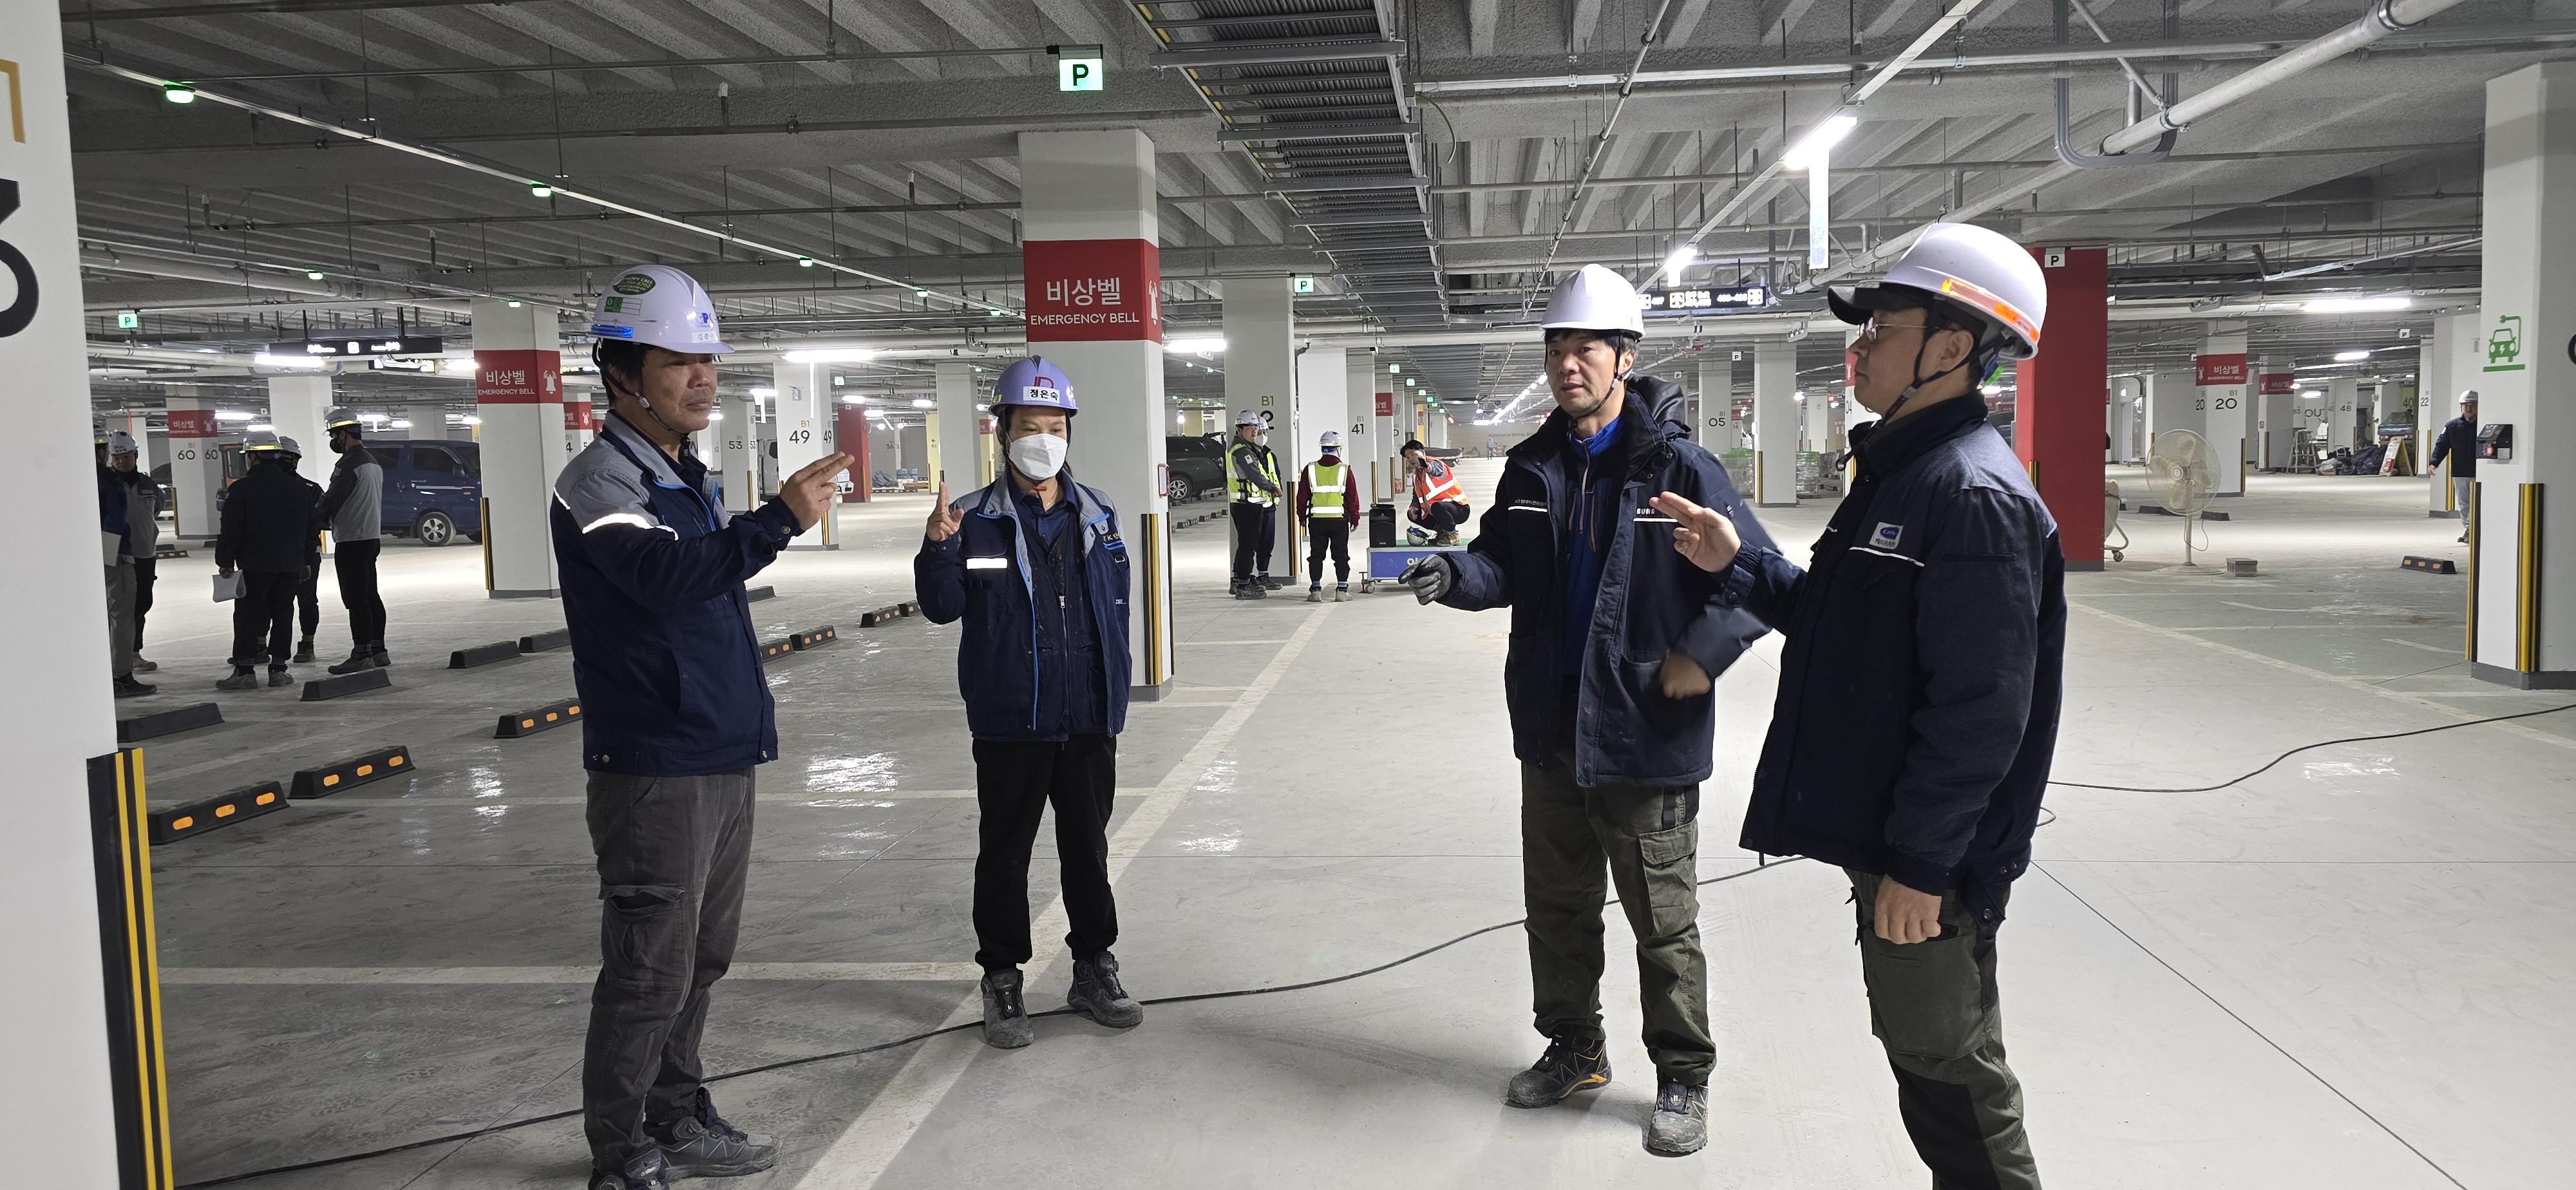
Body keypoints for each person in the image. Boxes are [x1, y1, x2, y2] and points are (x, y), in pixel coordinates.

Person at [1650, 221, 2061, 1190]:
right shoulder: (1903, 475)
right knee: (1926, 1058)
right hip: (1897, 842)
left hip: (1933, 863)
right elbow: (1844, 629)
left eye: (1881, 328)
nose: (1859, 347)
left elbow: (1979, 712)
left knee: (1949, 1074)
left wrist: (1920, 866)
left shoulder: (1972, 497)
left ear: (1950, 349)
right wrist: (1739, 563)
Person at [1396, 263, 1774, 1157]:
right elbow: (1501, 562)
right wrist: (1455, 572)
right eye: (1557, 349)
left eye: (1588, 349)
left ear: (1625, 357)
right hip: (1552, 727)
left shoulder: (1680, 468)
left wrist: (1701, 653)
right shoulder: (1532, 467)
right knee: (1558, 908)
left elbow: (1755, 580)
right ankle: (1575, 1046)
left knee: (1662, 922)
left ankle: (1683, 1075)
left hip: (1644, 735)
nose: (1569, 364)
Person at [550, 263, 849, 1190]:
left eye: (708, 362)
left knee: (699, 960)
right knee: (649, 967)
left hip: (717, 748)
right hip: (654, 760)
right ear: (622, 372)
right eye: (679, 362)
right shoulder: (599, 482)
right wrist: (778, 521)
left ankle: (675, 1116)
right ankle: (620, 1151)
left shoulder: (680, 475)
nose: (703, 379)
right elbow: (664, 579)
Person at [915, 355, 1143, 1050]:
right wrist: (936, 550)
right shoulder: (970, 520)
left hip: (1086, 718)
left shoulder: (1098, 513)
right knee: (1004, 855)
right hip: (1012, 719)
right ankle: (1002, 977)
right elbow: (941, 608)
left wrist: (1112, 698)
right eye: (1029, 426)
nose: (1043, 439)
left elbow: (1113, 611)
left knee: (1088, 850)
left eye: (1055, 427)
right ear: (1002, 431)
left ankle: (1092, 967)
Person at [213, 430, 319, 691]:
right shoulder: (300, 489)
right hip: (290, 566)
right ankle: (279, 670)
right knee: (283, 614)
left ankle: (245, 671)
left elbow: (231, 528)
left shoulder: (242, 489)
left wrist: (225, 561)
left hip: (255, 564)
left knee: (248, 615)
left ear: (252, 458)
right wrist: (306, 561)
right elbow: (310, 530)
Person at [312, 406, 390, 672]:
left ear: (343, 434)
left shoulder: (348, 464)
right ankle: (378, 650)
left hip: (351, 539)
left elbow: (332, 500)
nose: (334, 441)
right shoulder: (372, 461)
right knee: (370, 595)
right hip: (370, 537)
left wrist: (314, 518)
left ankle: (361, 654)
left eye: (334, 435)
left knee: (356, 600)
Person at [98, 431, 155, 697]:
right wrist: (110, 556)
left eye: (126, 456)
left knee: (138, 605)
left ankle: (131, 654)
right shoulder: (109, 482)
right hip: (118, 555)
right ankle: (120, 672)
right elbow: (114, 520)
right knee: (121, 613)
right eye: (116, 457)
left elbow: (154, 511)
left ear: (135, 455)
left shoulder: (146, 484)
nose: (121, 461)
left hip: (140, 553)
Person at [276, 437, 326, 663]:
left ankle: (307, 643)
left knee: (306, 600)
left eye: (289, 458)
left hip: (305, 554)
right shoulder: (265, 488)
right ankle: (263, 645)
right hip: (277, 554)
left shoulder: (310, 489)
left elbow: (322, 522)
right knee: (274, 602)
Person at [1296, 429, 1361, 602]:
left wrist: (1301, 517)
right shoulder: (1345, 470)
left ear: (1322, 448)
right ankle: (1342, 591)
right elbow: (1352, 497)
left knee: (1316, 555)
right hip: (1339, 521)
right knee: (1341, 555)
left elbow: (1301, 496)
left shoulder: (1310, 469)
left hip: (1317, 522)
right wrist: (1355, 518)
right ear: (1338, 448)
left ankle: (1316, 590)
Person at [1226, 410, 1280, 599]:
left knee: (1248, 545)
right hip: (1245, 505)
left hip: (1248, 503)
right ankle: (1243, 585)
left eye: (1255, 428)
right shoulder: (1242, 451)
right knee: (1248, 546)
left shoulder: (1244, 448)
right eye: (1249, 428)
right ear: (1239, 430)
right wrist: (1272, 488)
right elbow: (1254, 475)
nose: (1254, 432)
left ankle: (1243, 580)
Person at [2428, 390, 2478, 543]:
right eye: (2465, 405)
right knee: (2464, 504)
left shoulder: (2484, 424)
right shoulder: (2452, 426)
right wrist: (2434, 462)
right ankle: (2469, 530)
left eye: (2472, 405)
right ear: (2461, 407)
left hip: (2481, 472)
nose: (2469, 408)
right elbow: (2441, 445)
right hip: (2460, 472)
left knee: (2481, 502)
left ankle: (2480, 529)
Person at [1404, 439, 1470, 545]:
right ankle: (1443, 534)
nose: (1411, 459)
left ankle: (1453, 535)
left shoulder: (1436, 464)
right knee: (1413, 514)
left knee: (1437, 506)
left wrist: (1427, 466)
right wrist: (1414, 507)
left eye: (1413, 454)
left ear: (1423, 452)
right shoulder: (1416, 476)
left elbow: (1434, 469)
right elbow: (1417, 497)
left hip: (1459, 509)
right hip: (1439, 511)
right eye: (1408, 457)